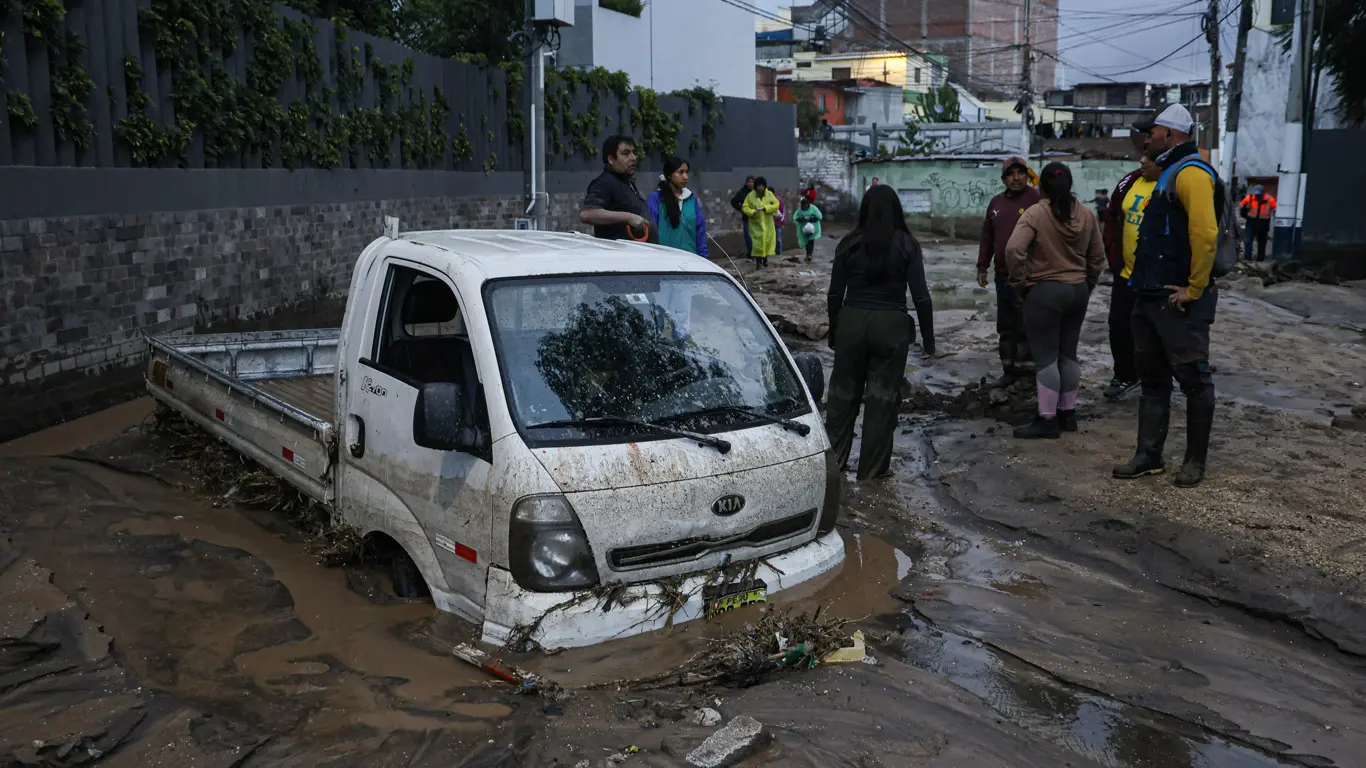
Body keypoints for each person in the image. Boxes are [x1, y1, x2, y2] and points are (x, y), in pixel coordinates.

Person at [1113, 103, 1219, 488]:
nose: (1147, 138)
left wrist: (1195, 288)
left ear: (1170, 135)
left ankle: (1194, 462)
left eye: (1152, 132)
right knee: (1154, 380)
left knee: (1194, 379)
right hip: (1149, 295)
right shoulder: (1168, 173)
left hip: (1178, 301)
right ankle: (1148, 456)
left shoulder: (1191, 173)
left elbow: (1206, 235)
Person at [826, 185, 935, 481]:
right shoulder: (908, 245)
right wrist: (929, 339)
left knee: (841, 398)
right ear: (896, 211)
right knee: (882, 400)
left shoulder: (848, 243)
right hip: (891, 325)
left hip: (851, 320)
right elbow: (922, 297)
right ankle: (871, 475)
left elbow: (835, 294)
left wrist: (835, 329)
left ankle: (833, 470)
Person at [1005, 162, 1106, 439]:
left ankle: (1047, 420)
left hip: (1045, 292)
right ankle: (1067, 414)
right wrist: (1088, 282)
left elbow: (1014, 249)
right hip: (1077, 291)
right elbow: (1098, 256)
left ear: (1041, 186)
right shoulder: (1086, 214)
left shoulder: (1036, 213)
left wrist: (1020, 283)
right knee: (1068, 353)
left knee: (1046, 358)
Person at [1099, 112, 1166, 402]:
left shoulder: (1172, 185)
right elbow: (1113, 218)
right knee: (1119, 326)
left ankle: (1158, 378)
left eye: (1147, 158)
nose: (1141, 161)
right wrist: (1113, 258)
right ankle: (1125, 374)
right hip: (1126, 275)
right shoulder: (1130, 182)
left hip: (1159, 278)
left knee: (1157, 331)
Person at [978, 155, 1042, 378]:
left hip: (1031, 277)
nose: (1016, 178)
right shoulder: (996, 203)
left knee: (1027, 325)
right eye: (1010, 174)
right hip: (1003, 276)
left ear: (1027, 175)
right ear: (1003, 179)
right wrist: (982, 267)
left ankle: (1027, 376)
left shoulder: (1038, 200)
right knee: (1006, 326)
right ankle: (1008, 371)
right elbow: (987, 237)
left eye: (1020, 173)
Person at [581, 135, 651, 241]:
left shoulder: (626, 181)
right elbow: (587, 214)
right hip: (619, 254)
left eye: (633, 152)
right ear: (611, 159)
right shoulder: (605, 182)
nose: (633, 158)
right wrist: (629, 217)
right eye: (626, 153)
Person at [646, 156, 709, 257]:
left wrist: (703, 257)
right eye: (680, 172)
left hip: (691, 259)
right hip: (665, 260)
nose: (685, 177)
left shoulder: (691, 200)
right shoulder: (657, 199)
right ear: (669, 175)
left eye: (686, 172)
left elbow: (700, 231)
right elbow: (650, 232)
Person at [742, 176, 780, 268]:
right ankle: (758, 262)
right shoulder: (750, 196)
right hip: (756, 225)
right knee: (757, 244)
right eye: (758, 186)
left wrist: (766, 208)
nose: (760, 188)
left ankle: (765, 259)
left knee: (766, 242)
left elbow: (776, 204)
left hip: (768, 224)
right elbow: (745, 207)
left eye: (762, 186)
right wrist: (753, 212)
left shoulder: (769, 194)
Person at [1239, 185, 1276, 262]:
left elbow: (1275, 208)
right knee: (1248, 240)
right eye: (1256, 194)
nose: (1257, 196)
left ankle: (1260, 259)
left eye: (1259, 194)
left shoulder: (1270, 199)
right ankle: (1247, 258)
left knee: (1262, 242)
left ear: (1263, 193)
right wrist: (1245, 208)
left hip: (1263, 224)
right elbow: (1241, 205)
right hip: (1251, 222)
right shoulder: (1250, 197)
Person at [730, 176, 756, 258]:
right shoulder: (742, 192)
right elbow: (733, 201)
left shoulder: (757, 191)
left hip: (757, 218)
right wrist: (741, 209)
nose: (751, 183)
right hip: (747, 218)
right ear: (746, 183)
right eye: (749, 182)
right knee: (748, 237)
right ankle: (751, 254)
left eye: (752, 182)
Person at [794, 197, 823, 262]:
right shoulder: (799, 210)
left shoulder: (813, 208)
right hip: (804, 228)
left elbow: (819, 216)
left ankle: (809, 255)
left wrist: (811, 219)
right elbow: (795, 217)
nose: (804, 207)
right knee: (807, 241)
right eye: (802, 205)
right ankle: (808, 254)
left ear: (808, 204)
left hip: (813, 228)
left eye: (805, 205)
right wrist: (801, 219)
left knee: (810, 241)